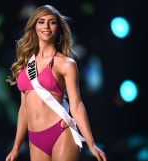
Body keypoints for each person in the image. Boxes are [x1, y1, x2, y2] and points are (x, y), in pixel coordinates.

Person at [6, 4, 107, 161]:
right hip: (35, 139)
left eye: (52, 22)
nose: (46, 26)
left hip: (61, 132)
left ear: (58, 28)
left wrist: (91, 143)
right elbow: (24, 108)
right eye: (41, 21)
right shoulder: (25, 64)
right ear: (34, 26)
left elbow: (77, 105)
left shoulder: (65, 63)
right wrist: (16, 146)